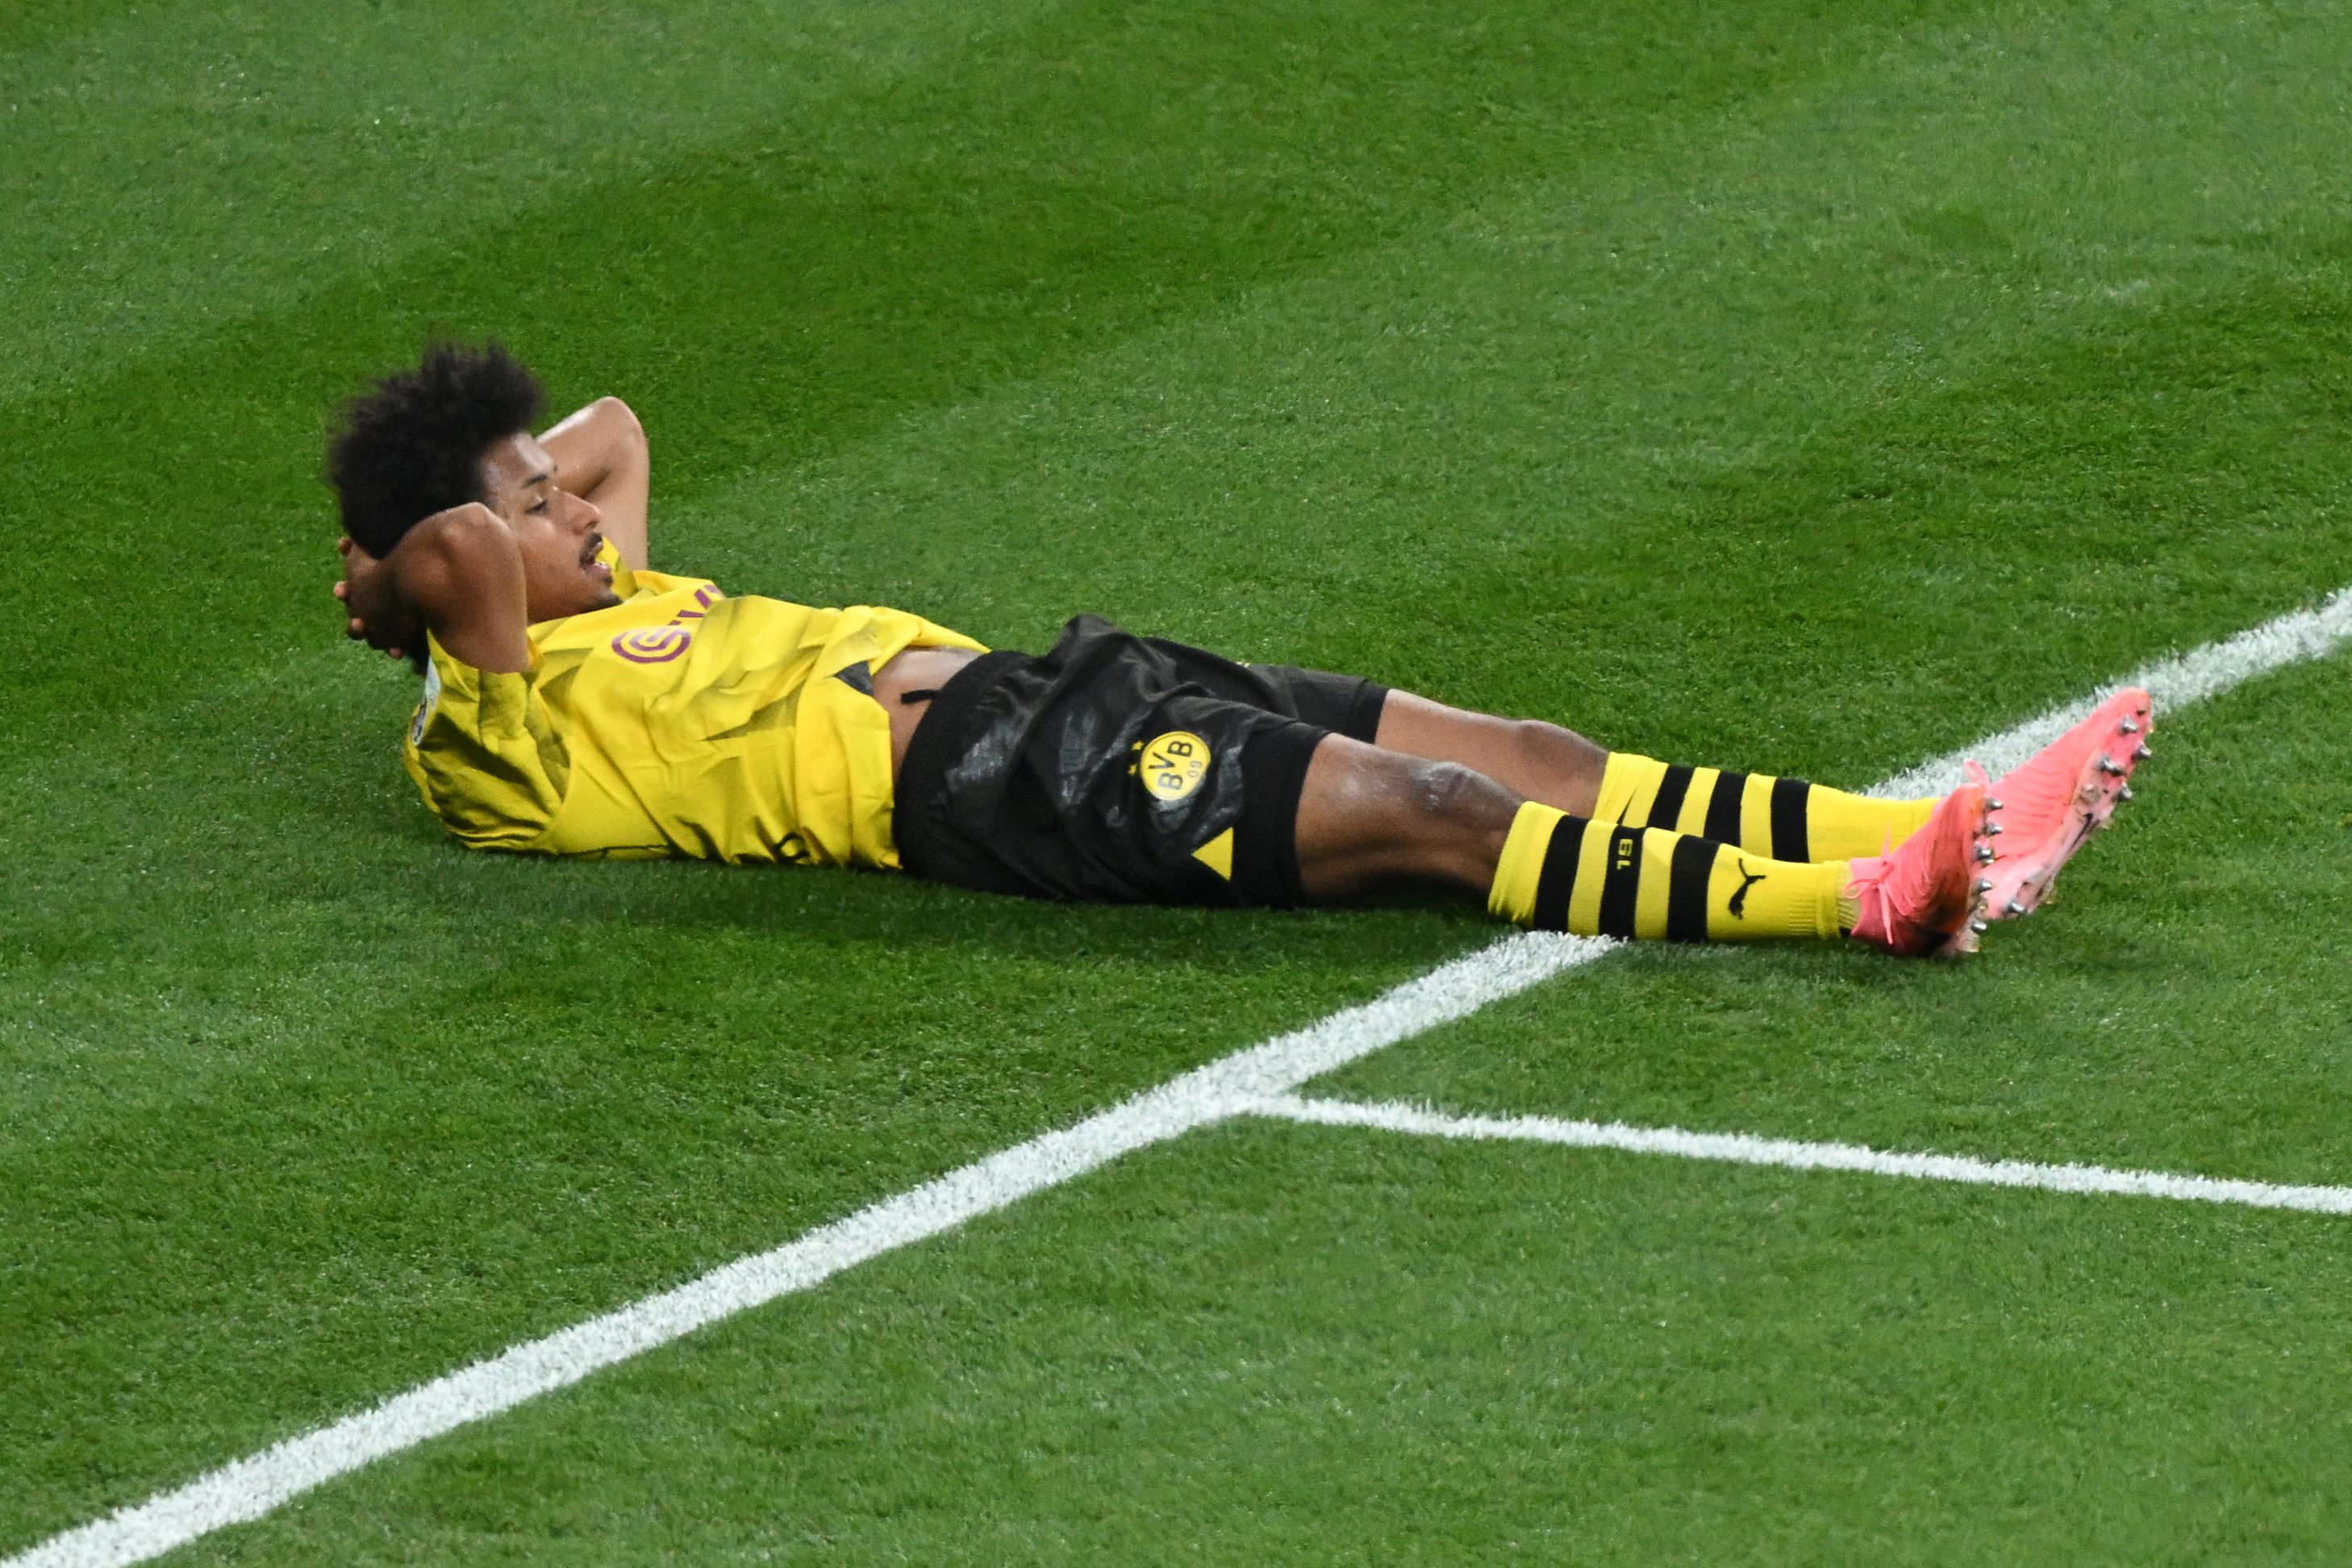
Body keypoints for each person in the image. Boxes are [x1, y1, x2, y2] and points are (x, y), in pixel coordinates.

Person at [331, 342, 2150, 958]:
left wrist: (479, 518)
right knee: (1430, 809)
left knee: (1528, 743)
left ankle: (1914, 820)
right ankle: (1866, 908)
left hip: (1049, 687)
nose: (573, 511)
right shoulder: (496, 740)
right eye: (531, 515)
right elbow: (469, 546)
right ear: (452, 582)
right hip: (988, 787)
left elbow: (618, 426)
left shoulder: (610, 593)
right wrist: (397, 585)